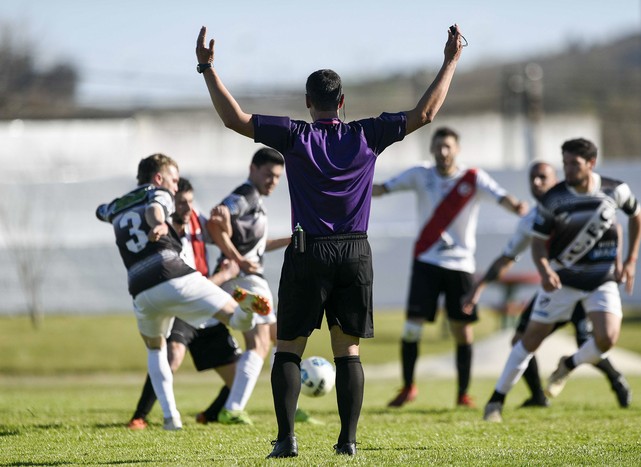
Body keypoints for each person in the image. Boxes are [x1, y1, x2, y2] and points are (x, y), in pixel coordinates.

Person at [196, 22, 464, 458]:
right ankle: (348, 442)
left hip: (308, 250)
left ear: (308, 103)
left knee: (288, 349)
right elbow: (425, 114)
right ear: (342, 102)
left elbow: (234, 119)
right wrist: (451, 60)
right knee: (349, 351)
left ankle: (285, 441)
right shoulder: (366, 134)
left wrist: (207, 68)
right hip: (356, 252)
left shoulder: (294, 136)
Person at [96, 153, 271, 430]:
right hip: (176, 279)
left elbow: (101, 210)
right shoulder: (160, 193)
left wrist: (111, 209)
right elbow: (157, 208)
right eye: (174, 180)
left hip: (141, 292)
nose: (175, 187)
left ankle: (170, 418)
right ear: (159, 178)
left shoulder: (118, 206)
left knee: (156, 349)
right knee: (237, 319)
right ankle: (246, 308)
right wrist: (157, 224)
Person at [483, 138, 641, 422]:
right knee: (528, 340)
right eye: (565, 163)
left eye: (574, 164)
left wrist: (629, 261)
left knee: (607, 339)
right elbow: (538, 244)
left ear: (591, 163)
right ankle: (496, 401)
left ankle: (568, 364)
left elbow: (635, 216)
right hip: (562, 282)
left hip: (600, 280)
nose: (568, 169)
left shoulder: (615, 190)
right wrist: (545, 271)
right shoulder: (553, 199)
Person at [373, 127, 528, 409]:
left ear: (457, 149)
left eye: (448, 146)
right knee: (411, 329)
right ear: (431, 149)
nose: (443, 152)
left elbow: (501, 196)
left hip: (460, 266)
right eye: (438, 146)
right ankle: (408, 387)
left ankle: (463, 394)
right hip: (426, 262)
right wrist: (348, 187)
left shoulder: (473, 178)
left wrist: (517, 206)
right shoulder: (420, 174)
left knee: (463, 332)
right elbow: (382, 189)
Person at [127, 177, 243, 430]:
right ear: (168, 204)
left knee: (240, 377)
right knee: (172, 356)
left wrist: (225, 227)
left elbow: (221, 237)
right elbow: (189, 287)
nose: (187, 208)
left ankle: (209, 415)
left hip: (205, 306)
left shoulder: (197, 222)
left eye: (189, 202)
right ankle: (139, 416)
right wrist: (226, 275)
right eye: (181, 203)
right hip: (184, 304)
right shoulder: (160, 234)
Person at [206, 147, 292, 425]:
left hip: (246, 278)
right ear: (252, 169)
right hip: (244, 280)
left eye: (277, 177)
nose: (273, 181)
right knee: (260, 343)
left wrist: (290, 241)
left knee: (280, 338)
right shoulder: (245, 196)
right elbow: (216, 223)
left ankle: (290, 403)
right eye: (268, 174)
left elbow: (257, 246)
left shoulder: (255, 200)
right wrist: (238, 259)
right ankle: (232, 408)